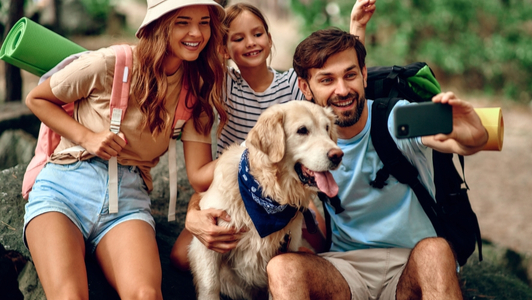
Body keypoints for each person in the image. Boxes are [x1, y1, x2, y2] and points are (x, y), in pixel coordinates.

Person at [264, 28, 489, 300]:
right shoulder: (297, 141)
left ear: (364, 75)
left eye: (350, 75)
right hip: (346, 268)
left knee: (436, 251)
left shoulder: (398, 118)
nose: (343, 89)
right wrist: (196, 213)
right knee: (281, 268)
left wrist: (475, 135)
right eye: (327, 80)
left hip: (412, 263)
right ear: (305, 87)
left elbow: (458, 141)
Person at [22, 0, 226, 299]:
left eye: (204, 22)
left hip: (128, 200)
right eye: (183, 21)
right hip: (64, 188)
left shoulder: (194, 90)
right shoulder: (111, 62)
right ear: (159, 24)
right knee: (69, 296)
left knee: (145, 294)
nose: (196, 32)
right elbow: (37, 98)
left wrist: (246, 156)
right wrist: (87, 137)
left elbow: (198, 176)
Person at [169, 0, 377, 271]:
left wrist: (356, 27)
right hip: (236, 187)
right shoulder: (223, 86)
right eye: (238, 38)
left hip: (285, 184)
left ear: (269, 38)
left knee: (321, 243)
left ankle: (291, 274)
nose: (251, 43)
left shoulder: (292, 83)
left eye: (258, 34)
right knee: (182, 256)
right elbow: (200, 68)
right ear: (223, 49)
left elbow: (338, 68)